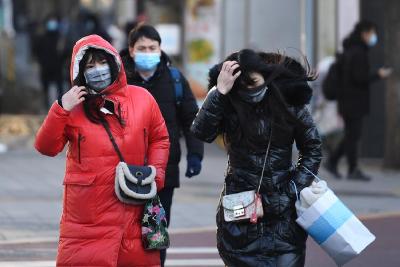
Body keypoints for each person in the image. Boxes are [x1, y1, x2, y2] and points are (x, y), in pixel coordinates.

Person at [35, 34, 170, 267]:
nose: (98, 70)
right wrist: (60, 108)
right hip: (86, 215)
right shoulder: (72, 106)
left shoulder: (142, 98)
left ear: (113, 62)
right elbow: (46, 147)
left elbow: (160, 138)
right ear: (80, 72)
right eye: (89, 66)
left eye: (102, 63)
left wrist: (156, 174)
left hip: (134, 202)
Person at [191, 49, 322, 267]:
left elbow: (312, 148)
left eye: (253, 83)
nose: (248, 90)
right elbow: (202, 132)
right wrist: (219, 91)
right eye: (242, 85)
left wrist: (293, 189)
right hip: (240, 208)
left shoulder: (288, 104)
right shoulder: (229, 102)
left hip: (283, 212)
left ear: (266, 77)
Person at [120, 24, 204, 266]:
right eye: (142, 48)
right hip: (123, 169)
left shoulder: (175, 80)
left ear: (160, 49)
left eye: (152, 47)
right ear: (131, 50)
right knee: (124, 230)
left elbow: (191, 119)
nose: (148, 52)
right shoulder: (120, 80)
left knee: (156, 232)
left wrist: (195, 154)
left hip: (163, 171)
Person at [324, 21, 392, 181]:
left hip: (347, 100)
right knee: (353, 136)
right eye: (372, 33)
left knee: (351, 135)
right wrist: (378, 74)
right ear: (364, 33)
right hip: (354, 101)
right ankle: (346, 166)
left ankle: (338, 164)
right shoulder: (359, 52)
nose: (373, 37)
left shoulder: (349, 50)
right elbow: (359, 77)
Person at [32, 14, 65, 109]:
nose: (52, 24)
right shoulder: (42, 38)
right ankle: (45, 107)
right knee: (45, 88)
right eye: (50, 21)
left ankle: (60, 107)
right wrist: (41, 61)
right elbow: (36, 51)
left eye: (54, 21)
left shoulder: (60, 38)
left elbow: (66, 52)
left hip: (58, 67)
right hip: (45, 67)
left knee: (60, 89)